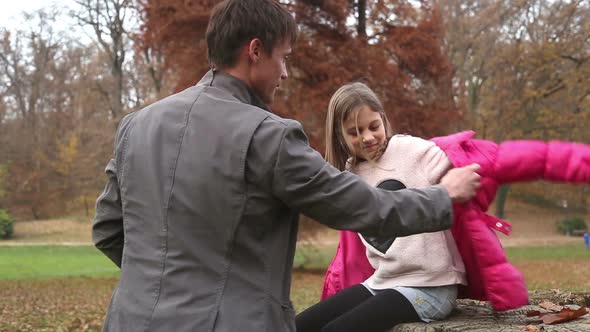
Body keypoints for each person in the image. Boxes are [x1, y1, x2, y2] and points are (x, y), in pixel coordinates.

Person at [91, 1, 482, 331]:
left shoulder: (136, 125)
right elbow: (362, 206)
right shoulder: (267, 135)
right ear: (255, 51)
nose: (285, 73)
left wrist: (159, 283)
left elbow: (109, 229)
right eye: (283, 58)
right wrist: (442, 198)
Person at [299, 82, 590, 332]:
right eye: (354, 132)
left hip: (429, 288)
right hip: (383, 282)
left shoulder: (414, 153)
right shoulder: (349, 176)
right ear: (340, 136)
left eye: (373, 126)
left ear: (384, 119)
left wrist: (577, 163)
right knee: (299, 325)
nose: (367, 137)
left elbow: (496, 162)